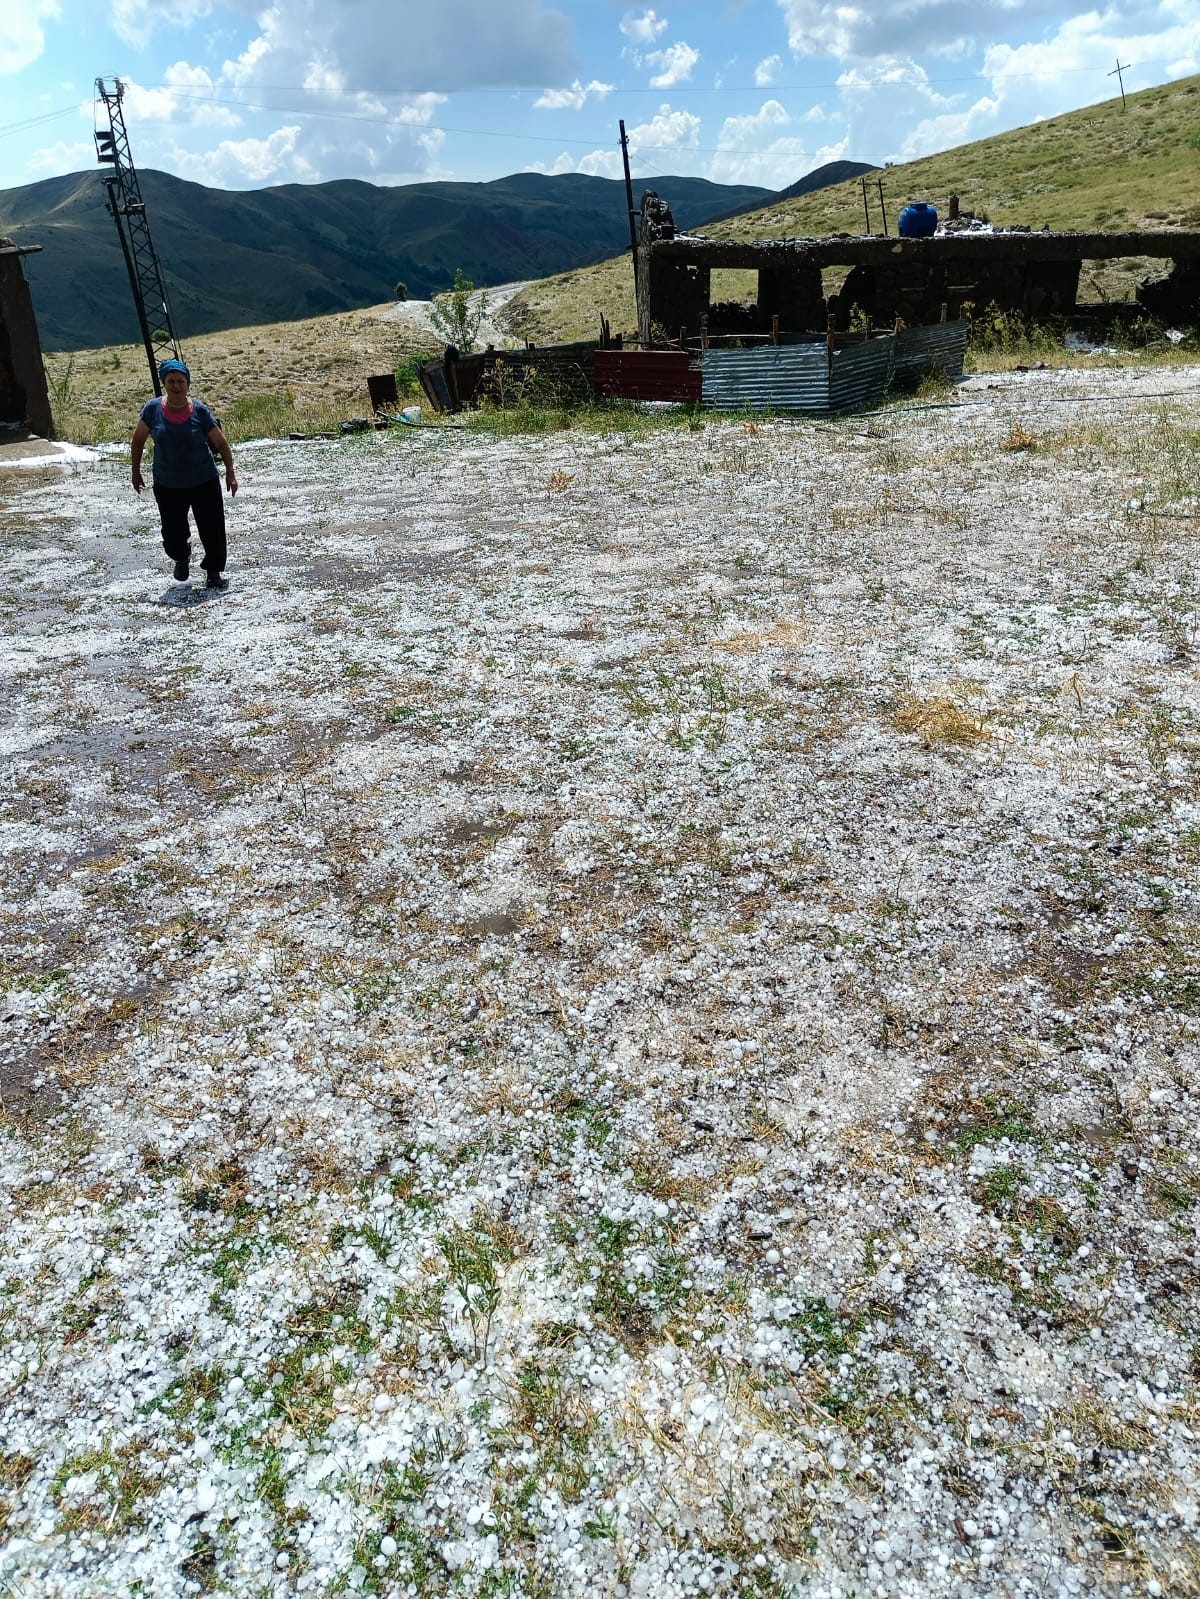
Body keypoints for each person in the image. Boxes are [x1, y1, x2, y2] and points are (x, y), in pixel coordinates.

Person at [131, 359, 238, 590]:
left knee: (212, 528)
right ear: (164, 384)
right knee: (172, 532)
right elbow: (138, 440)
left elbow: (220, 443)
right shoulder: (152, 410)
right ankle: (181, 557)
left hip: (203, 480)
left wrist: (230, 472)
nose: (176, 386)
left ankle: (213, 572)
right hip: (168, 483)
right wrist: (135, 470)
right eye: (171, 381)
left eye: (180, 381)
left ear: (187, 383)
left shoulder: (199, 410)